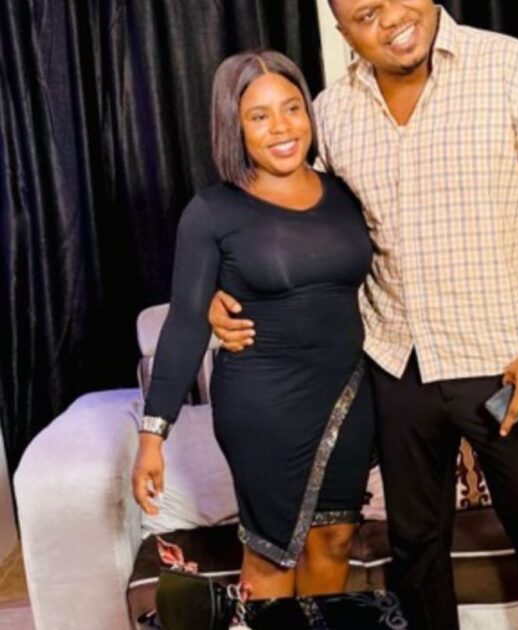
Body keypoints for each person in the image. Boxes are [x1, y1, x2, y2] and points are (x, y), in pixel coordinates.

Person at [209, 1, 518, 628]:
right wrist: (221, 285)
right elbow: (293, 218)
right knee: (416, 552)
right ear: (343, 32)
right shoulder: (331, 112)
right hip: (396, 367)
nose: (392, 18)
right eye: (366, 13)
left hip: (509, 365)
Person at [130, 50, 375, 600]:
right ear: (234, 127)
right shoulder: (213, 211)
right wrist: (152, 438)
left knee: (335, 540)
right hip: (264, 405)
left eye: (292, 108)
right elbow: (185, 324)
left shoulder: (345, 192)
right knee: (271, 554)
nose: (282, 127)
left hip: (348, 394)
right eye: (259, 116)